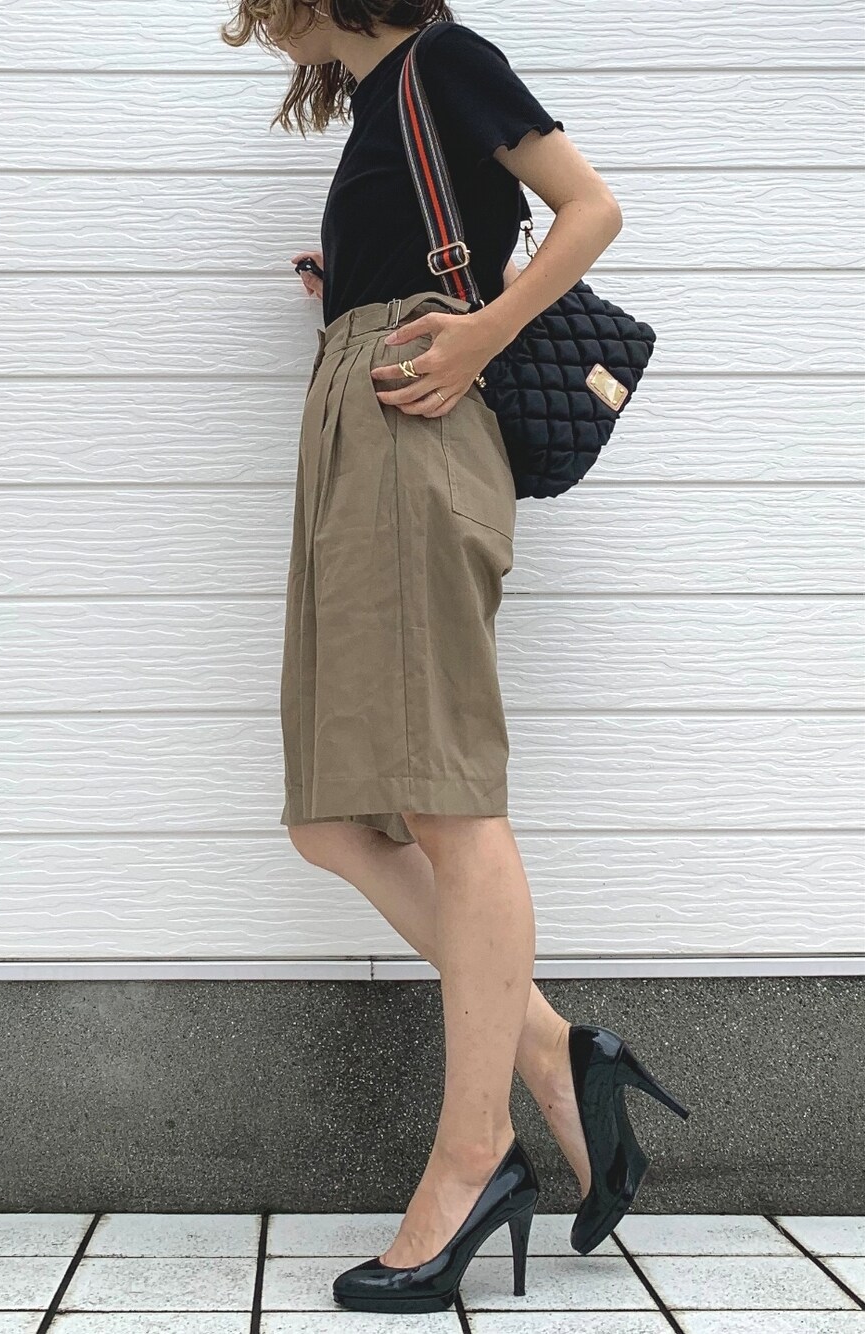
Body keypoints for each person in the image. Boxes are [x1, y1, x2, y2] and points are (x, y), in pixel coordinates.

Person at [221, 1, 690, 1314]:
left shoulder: (447, 60)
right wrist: (350, 294)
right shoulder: (388, 99)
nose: (256, 21)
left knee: (447, 801)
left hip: (414, 447)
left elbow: (589, 209)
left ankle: (475, 1153)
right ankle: (554, 1050)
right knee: (329, 818)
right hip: (358, 429)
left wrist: (479, 330)